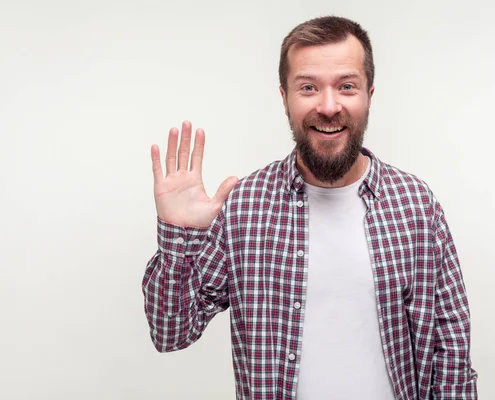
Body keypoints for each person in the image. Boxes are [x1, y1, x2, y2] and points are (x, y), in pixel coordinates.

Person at [142, 16, 477, 400]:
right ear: (285, 97)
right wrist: (178, 237)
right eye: (308, 87)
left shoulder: (416, 204)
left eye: (346, 86)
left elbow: (450, 353)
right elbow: (170, 333)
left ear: (369, 93)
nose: (329, 106)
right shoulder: (243, 207)